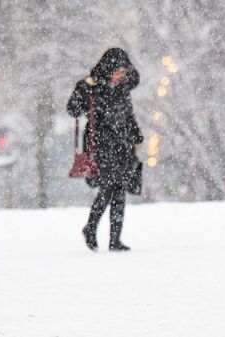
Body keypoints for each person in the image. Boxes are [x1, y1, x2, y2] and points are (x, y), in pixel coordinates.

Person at [67, 48, 143, 252]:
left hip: (122, 145)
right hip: (101, 146)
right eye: (117, 71)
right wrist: (84, 89)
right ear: (108, 69)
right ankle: (93, 229)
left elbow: (128, 115)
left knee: (118, 190)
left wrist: (136, 137)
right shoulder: (91, 86)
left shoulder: (123, 88)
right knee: (110, 187)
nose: (120, 76)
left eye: (123, 72)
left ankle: (112, 238)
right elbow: (73, 109)